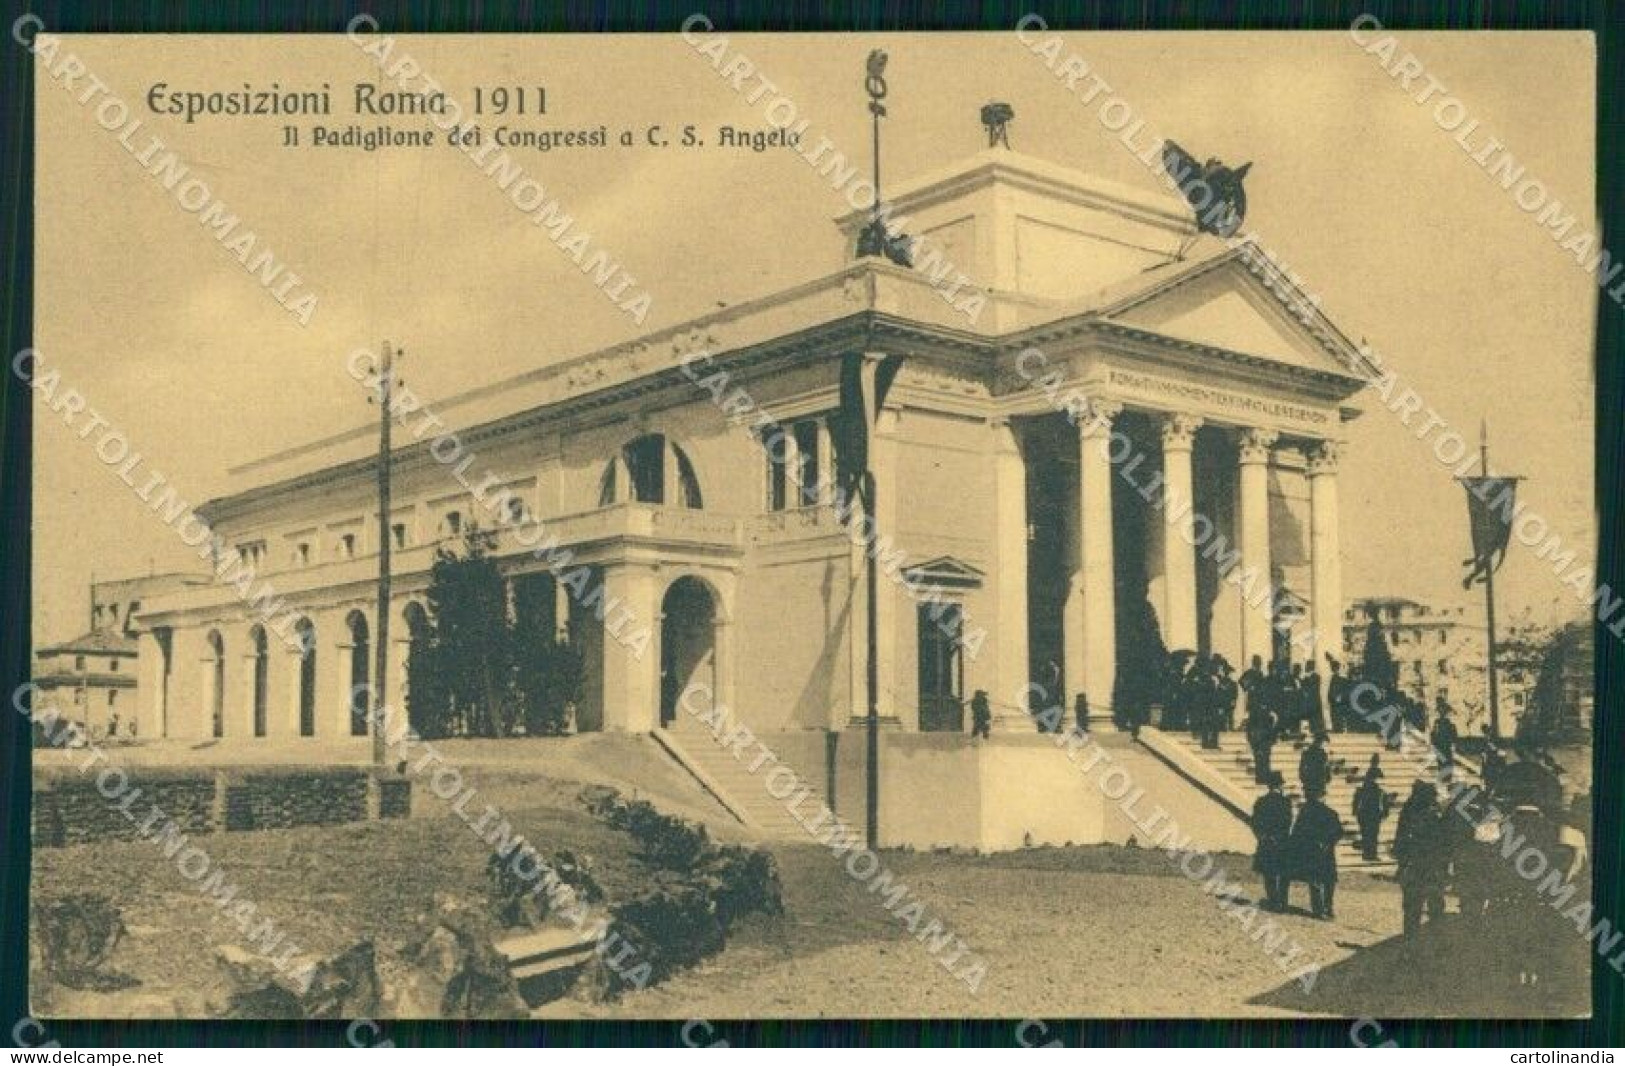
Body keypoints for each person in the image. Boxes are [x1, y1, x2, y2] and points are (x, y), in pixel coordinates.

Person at [1393, 780, 1447, 939]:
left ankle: (1411, 941)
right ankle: (1435, 940)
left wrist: (1402, 864)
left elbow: (1399, 842)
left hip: (1413, 867)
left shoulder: (1408, 811)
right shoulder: (1434, 815)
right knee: (1434, 906)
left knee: (1412, 909)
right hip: (1431, 868)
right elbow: (1443, 843)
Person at [1288, 785, 1343, 919]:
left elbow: (1297, 833)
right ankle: (1328, 908)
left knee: (1315, 881)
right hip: (1327, 851)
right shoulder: (1331, 812)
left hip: (1311, 851)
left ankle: (1318, 910)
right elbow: (1339, 832)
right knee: (1329, 881)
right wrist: (1328, 843)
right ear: (1323, 796)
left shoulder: (1306, 812)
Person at [1251, 771, 1293, 912]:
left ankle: (1273, 901)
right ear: (1280, 786)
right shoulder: (1286, 802)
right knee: (1283, 874)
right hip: (1282, 841)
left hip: (1267, 841)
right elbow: (1287, 822)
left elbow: (1255, 822)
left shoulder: (1261, 802)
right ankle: (1283, 901)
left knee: (1269, 873)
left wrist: (1262, 836)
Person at [1351, 766, 1390, 862]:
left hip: (1365, 814)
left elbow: (1356, 801)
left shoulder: (1363, 788)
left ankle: (1368, 854)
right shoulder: (1377, 789)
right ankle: (1370, 854)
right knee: (1372, 835)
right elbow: (1384, 802)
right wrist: (1385, 813)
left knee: (1367, 834)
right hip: (1372, 814)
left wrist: (1355, 811)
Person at [1246, 699, 1277, 785]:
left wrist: (1272, 740)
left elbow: (1272, 729)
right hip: (1259, 741)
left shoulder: (1269, 715)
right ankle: (1261, 777)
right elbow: (1249, 728)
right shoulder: (1256, 714)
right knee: (1261, 760)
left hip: (1264, 741)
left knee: (1264, 760)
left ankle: (1263, 777)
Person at [1431, 705, 1459, 774]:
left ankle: (1445, 776)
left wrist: (1433, 742)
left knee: (1444, 761)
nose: (1442, 714)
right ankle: (1445, 776)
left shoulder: (1446, 723)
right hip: (1443, 746)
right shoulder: (1438, 723)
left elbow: (1433, 734)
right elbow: (1434, 734)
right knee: (1445, 762)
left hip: (1443, 746)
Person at [1326, 655, 1351, 732]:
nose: (1332, 669)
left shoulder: (1342, 677)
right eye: (1332, 668)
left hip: (1339, 701)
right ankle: (1336, 728)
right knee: (1334, 716)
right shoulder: (1333, 677)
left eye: (1334, 668)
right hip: (1334, 701)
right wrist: (1330, 698)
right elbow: (1331, 689)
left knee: (1339, 716)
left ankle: (1339, 728)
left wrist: (1340, 696)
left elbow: (1345, 689)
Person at [1239, 655, 1265, 727]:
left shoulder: (1260, 673)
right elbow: (1241, 681)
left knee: (1258, 713)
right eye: (1258, 662)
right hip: (1252, 696)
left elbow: (1262, 684)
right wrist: (1248, 687)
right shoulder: (1249, 672)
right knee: (1252, 713)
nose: (1259, 664)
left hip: (1259, 696)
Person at [1303, 661, 1326, 737]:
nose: (1306, 667)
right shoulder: (1308, 677)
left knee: (1316, 716)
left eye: (1307, 665)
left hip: (1314, 699)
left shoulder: (1316, 676)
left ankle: (1317, 731)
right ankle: (1313, 730)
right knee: (1312, 716)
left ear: (1311, 667)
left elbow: (1312, 688)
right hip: (1311, 699)